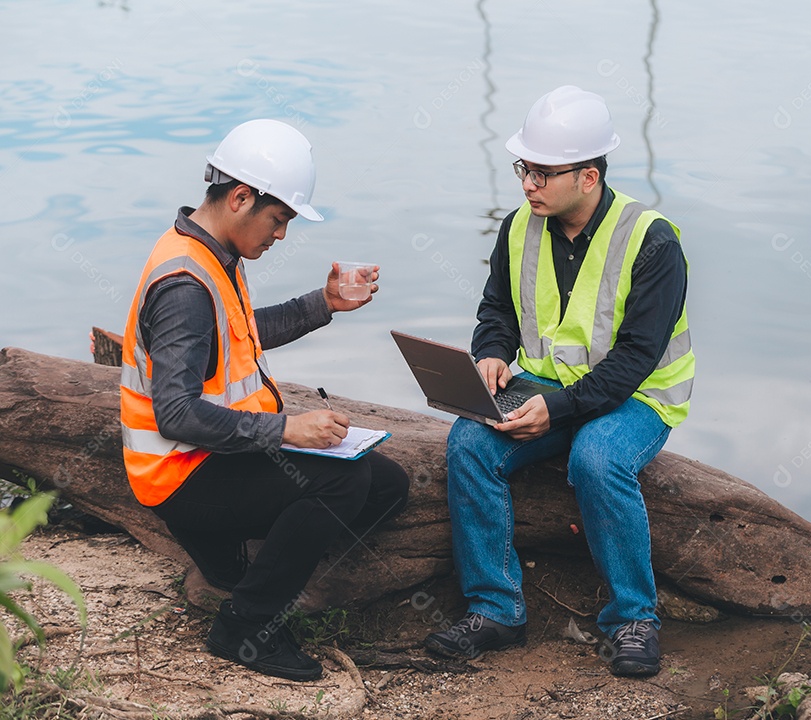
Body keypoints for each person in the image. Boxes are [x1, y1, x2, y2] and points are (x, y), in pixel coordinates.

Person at [119, 119, 409, 682]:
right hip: (179, 475)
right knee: (343, 482)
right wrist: (288, 432)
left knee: (387, 484)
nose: (279, 236)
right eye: (278, 220)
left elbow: (241, 333)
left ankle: (240, 567)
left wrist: (322, 303)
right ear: (240, 198)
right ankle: (245, 625)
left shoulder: (211, 254)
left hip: (217, 456)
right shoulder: (184, 286)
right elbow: (175, 414)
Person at [423, 86, 694, 677]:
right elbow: (496, 310)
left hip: (639, 399)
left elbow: (636, 359)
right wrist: (491, 355)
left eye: (543, 173)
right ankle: (497, 611)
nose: (527, 185)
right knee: (469, 443)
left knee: (597, 460)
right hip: (549, 386)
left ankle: (634, 620)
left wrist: (561, 410)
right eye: (524, 169)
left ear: (589, 176)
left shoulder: (653, 242)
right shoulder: (519, 227)